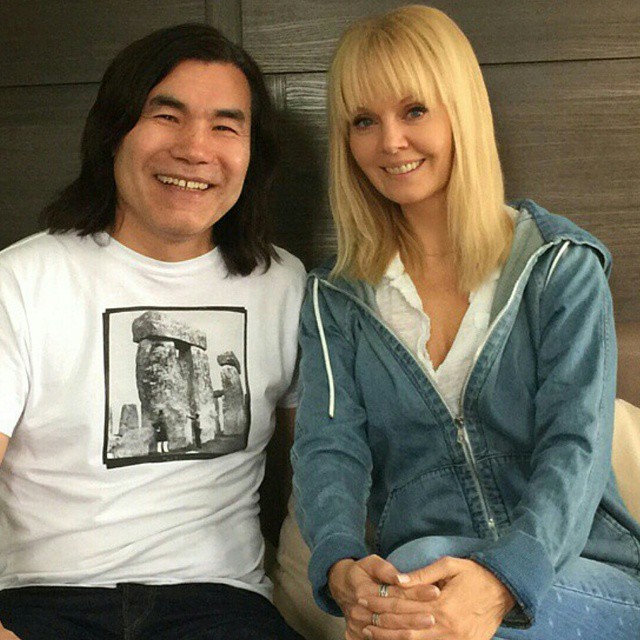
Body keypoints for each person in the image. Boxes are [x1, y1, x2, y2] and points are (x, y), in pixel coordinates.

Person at [291, 5, 640, 640]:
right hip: (426, 583)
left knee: (420, 577)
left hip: (584, 579)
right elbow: (328, 448)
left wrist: (504, 580)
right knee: (416, 584)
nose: (389, 141)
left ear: (461, 113)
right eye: (364, 121)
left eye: (414, 111)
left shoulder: (559, 266)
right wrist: (341, 564)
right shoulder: (334, 299)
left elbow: (577, 445)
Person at [0, 23, 306, 640]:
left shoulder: (284, 285)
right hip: (44, 601)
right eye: (167, 116)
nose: (195, 149)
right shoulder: (23, 279)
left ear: (252, 153)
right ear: (113, 132)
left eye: (225, 126)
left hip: (220, 606)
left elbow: (323, 463)